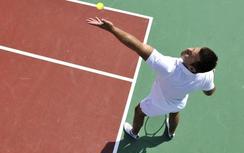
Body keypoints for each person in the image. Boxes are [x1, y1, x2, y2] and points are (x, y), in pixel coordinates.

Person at [87, 17, 218, 140]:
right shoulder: (206, 75)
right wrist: (211, 75)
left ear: (193, 68)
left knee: (139, 111)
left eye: (190, 54)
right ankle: (171, 133)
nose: (189, 49)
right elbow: (210, 92)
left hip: (158, 102)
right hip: (179, 102)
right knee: (175, 112)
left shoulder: (168, 68)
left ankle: (134, 133)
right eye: (194, 48)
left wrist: (112, 29)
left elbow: (136, 45)